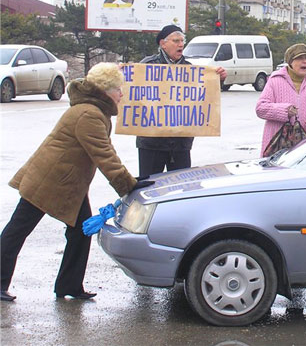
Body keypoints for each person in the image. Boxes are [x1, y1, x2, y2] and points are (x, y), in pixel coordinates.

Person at [1, 63, 146, 302]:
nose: (122, 94)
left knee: (80, 232)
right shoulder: (88, 114)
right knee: (18, 231)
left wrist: (128, 180)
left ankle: (69, 285)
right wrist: (127, 185)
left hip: (67, 185)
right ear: (105, 90)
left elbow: (105, 151)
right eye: (118, 89)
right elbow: (104, 155)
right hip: (48, 181)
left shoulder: (93, 111)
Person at [136, 24, 226, 178]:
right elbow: (133, 95)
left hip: (180, 143)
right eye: (176, 41)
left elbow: (202, 97)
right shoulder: (146, 66)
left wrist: (218, 80)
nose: (180, 45)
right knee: (148, 185)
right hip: (151, 142)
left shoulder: (190, 70)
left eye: (182, 41)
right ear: (163, 44)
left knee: (182, 187)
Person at [256, 43, 306, 157]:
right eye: (300, 58)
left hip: (303, 146)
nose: (305, 61)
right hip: (275, 145)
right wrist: (284, 111)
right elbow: (260, 108)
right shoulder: (275, 80)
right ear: (290, 61)